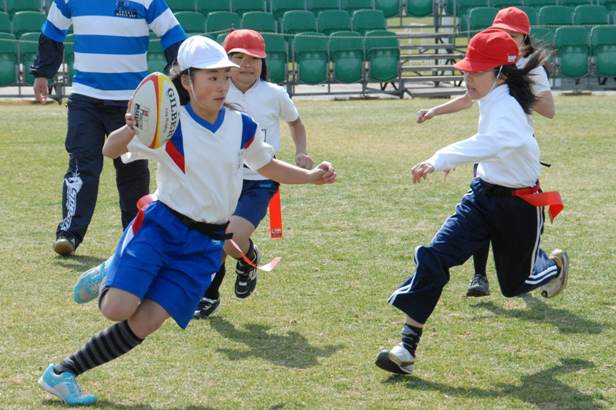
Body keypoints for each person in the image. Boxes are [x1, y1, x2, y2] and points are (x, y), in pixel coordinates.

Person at [38, 36, 336, 405]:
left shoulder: (241, 125)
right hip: (161, 227)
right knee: (115, 309)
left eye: (224, 77)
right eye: (211, 78)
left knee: (144, 323)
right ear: (187, 82)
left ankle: (63, 373)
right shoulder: (167, 126)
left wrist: (311, 176)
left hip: (205, 246)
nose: (221, 85)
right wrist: (131, 126)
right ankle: (111, 268)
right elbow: (110, 150)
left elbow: (267, 165)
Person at [374, 29, 568, 376]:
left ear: (501, 75)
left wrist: (439, 159)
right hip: (481, 199)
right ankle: (405, 349)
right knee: (434, 257)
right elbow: (483, 145)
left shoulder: (507, 107)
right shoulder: (491, 98)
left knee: (513, 286)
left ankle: (552, 267)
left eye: (476, 72)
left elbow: (487, 144)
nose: (467, 78)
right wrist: (442, 159)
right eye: (466, 70)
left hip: (519, 207)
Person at [414, 7, 555, 297]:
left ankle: (537, 264)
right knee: (481, 202)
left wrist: (518, 86)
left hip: (508, 149)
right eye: (501, 32)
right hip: (485, 145)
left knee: (507, 224)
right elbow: (468, 97)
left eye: (513, 34)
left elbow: (549, 111)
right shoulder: (489, 62)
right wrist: (435, 111)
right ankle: (479, 276)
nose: (506, 38)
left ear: (524, 37)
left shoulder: (527, 68)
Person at [31, 0, 186, 256]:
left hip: (133, 103)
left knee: (133, 171)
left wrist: (174, 83)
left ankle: (136, 237)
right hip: (84, 98)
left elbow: (174, 38)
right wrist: (42, 73)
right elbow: (52, 32)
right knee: (82, 165)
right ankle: (68, 234)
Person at [193, 29, 314, 319]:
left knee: (229, 239)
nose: (247, 65)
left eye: (255, 59)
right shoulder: (215, 91)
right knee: (216, 238)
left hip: (260, 181)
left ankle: (246, 259)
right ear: (225, 61)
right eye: (239, 57)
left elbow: (296, 123)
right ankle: (208, 295)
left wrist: (301, 151)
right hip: (221, 180)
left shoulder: (275, 94)